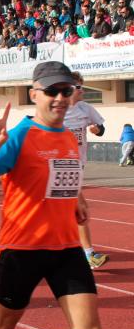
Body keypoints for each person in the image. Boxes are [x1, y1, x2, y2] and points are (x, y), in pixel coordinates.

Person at [0, 61, 101, 329]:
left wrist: (78, 196)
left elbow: (64, 172)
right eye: (52, 91)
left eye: (67, 91)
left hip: (67, 248)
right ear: (34, 94)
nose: (61, 99)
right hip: (22, 249)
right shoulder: (17, 137)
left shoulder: (68, 137)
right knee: (2, 328)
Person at [64, 72, 108, 269]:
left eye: (83, 86)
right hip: (59, 167)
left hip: (78, 165)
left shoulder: (86, 109)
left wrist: (97, 130)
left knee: (73, 209)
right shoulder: (58, 109)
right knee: (79, 208)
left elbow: (101, 128)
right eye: (79, 87)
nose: (82, 90)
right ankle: (88, 254)